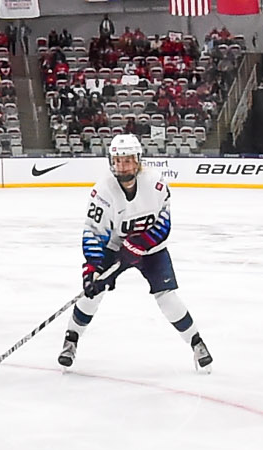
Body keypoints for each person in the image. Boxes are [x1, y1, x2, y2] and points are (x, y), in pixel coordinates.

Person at [58, 134, 212, 372]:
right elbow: (93, 232)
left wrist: (139, 244)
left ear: (138, 160)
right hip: (114, 247)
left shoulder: (156, 184)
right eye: (119, 160)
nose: (123, 166)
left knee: (167, 296)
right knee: (91, 293)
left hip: (152, 249)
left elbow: (163, 224)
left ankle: (197, 343)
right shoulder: (102, 192)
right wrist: (92, 268)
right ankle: (71, 341)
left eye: (128, 160)